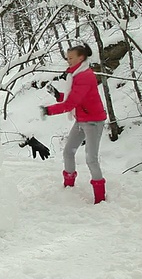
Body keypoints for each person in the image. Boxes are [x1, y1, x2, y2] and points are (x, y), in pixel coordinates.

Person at [41, 43, 107, 204]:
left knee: (91, 158)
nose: (68, 61)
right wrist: (58, 95)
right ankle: (68, 188)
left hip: (93, 121)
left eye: (71, 58)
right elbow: (73, 97)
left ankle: (100, 198)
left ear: (81, 58)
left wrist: (48, 110)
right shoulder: (76, 75)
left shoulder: (85, 76)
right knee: (68, 152)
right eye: (67, 58)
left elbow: (70, 104)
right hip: (81, 119)